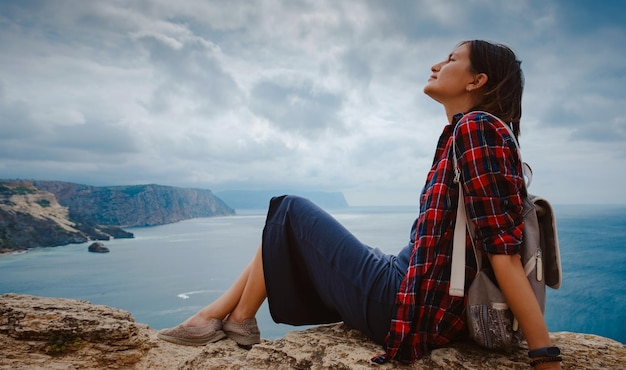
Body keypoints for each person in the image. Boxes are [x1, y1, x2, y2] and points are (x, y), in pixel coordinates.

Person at [158, 40, 562, 369]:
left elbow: (501, 253)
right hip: (411, 285)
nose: (437, 64)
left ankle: (231, 318)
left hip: (409, 310)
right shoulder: (465, 133)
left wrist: (544, 355)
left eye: (452, 58)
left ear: (477, 80)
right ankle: (224, 317)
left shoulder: (478, 129)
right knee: (284, 226)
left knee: (288, 209)